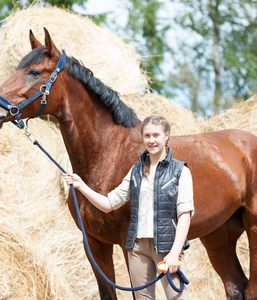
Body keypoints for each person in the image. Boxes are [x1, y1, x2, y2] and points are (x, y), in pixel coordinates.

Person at [63, 115, 194, 300]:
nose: (151, 140)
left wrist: (174, 253)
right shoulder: (136, 171)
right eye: (147, 135)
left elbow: (185, 215)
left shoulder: (181, 171)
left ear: (166, 136)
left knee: (178, 298)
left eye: (156, 135)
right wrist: (81, 185)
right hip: (138, 249)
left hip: (167, 247)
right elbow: (109, 204)